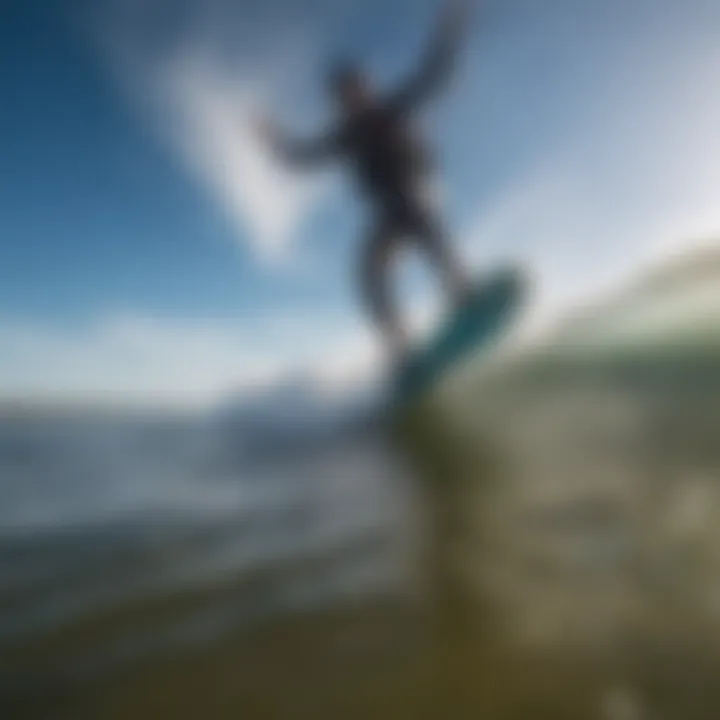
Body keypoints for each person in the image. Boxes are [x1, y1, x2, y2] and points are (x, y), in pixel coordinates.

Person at [256, 0, 473, 364]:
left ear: (368, 88)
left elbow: (435, 74)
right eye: (345, 96)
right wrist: (274, 141)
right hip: (390, 216)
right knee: (367, 270)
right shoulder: (345, 136)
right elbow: (302, 158)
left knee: (416, 209)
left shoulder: (393, 107)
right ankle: (400, 345)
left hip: (420, 194)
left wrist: (449, 29)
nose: (353, 99)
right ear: (339, 102)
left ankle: (461, 291)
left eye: (358, 89)